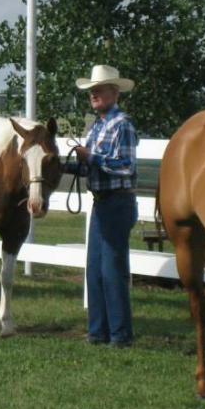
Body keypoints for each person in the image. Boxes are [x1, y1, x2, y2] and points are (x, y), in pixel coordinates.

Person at [71, 65, 138, 347]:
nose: (93, 94)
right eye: (91, 91)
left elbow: (125, 167)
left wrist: (92, 157)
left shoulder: (122, 124)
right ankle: (98, 333)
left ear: (114, 92)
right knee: (95, 269)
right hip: (101, 204)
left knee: (112, 270)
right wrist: (67, 166)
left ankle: (120, 335)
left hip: (117, 204)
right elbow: (91, 167)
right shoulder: (96, 126)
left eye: (98, 90)